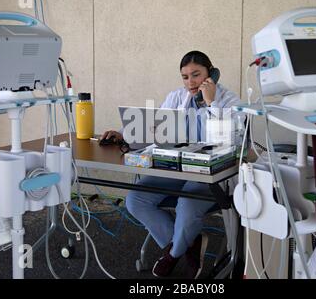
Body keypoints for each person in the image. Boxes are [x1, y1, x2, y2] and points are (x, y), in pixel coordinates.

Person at [101, 51, 241, 279]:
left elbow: (228, 142)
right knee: (136, 199)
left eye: (196, 75)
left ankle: (174, 254)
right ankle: (189, 243)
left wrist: (211, 102)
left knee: (186, 203)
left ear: (211, 73)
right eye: (185, 77)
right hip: (176, 169)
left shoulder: (230, 100)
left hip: (212, 174)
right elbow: (153, 127)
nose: (190, 82)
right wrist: (123, 132)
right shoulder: (177, 97)